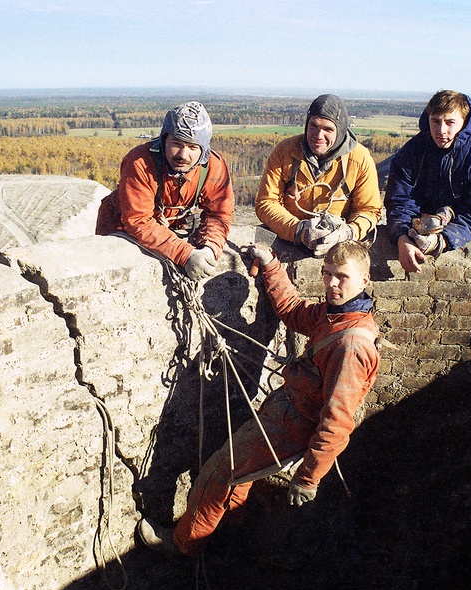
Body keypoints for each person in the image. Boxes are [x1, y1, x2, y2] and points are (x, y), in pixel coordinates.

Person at [136, 240, 380, 557]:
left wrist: (308, 478)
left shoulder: (351, 345)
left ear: (364, 280)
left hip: (295, 427)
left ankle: (185, 545)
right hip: (287, 412)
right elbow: (293, 310)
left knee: (218, 473)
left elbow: (337, 422)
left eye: (342, 277)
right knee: (239, 473)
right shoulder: (337, 314)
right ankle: (230, 530)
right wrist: (271, 265)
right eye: (327, 273)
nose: (332, 284)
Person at [96, 101, 233, 282]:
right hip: (119, 226)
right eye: (176, 143)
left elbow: (219, 213)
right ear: (163, 141)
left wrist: (209, 248)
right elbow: (138, 220)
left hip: (168, 227)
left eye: (192, 147)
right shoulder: (140, 162)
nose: (183, 155)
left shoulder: (213, 167)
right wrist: (185, 254)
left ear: (203, 151)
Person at [385, 89, 471, 274]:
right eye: (435, 121)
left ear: (464, 123)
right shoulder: (412, 152)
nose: (441, 130)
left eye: (450, 122)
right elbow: (400, 200)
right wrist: (402, 237)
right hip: (426, 226)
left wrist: (444, 240)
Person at [255, 94, 382, 257]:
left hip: (339, 247)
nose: (318, 135)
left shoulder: (359, 159)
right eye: (313, 126)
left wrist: (348, 233)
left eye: (328, 129)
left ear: (341, 130)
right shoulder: (285, 152)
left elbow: (369, 210)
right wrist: (299, 230)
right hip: (287, 240)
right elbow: (266, 202)